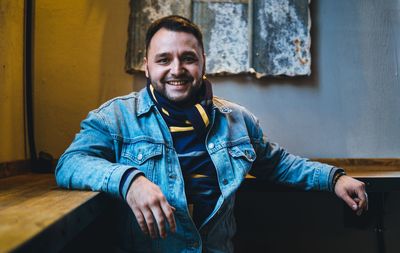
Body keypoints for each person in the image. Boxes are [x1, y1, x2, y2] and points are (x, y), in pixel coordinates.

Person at [55, 15, 368, 253]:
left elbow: (280, 164)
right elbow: (70, 163)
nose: (176, 69)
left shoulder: (238, 121)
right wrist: (130, 181)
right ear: (147, 67)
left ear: (203, 63)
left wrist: (334, 178)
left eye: (188, 58)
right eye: (163, 59)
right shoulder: (116, 117)